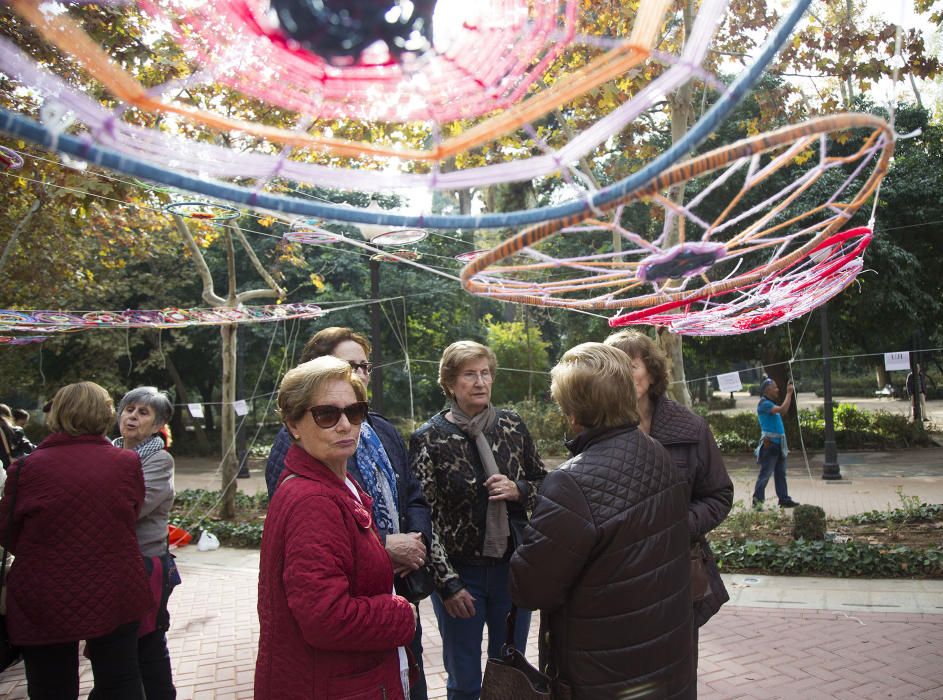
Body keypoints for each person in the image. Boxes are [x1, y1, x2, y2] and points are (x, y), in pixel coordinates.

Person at [509, 343, 693, 699]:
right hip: (665, 662)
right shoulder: (655, 450)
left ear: (573, 411)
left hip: (601, 674)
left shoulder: (570, 483)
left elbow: (529, 588)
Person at [265, 326, 432, 699]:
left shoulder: (374, 437)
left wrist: (417, 541)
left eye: (354, 411)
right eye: (326, 414)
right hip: (338, 674)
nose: (344, 424)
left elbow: (412, 494)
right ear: (294, 423)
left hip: (379, 648)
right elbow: (325, 617)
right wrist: (399, 612)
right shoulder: (311, 495)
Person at [408, 340, 547, 700]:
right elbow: (424, 517)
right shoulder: (429, 438)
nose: (480, 382)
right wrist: (448, 584)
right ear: (450, 383)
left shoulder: (511, 425)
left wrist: (518, 489)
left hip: (511, 570)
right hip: (461, 576)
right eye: (469, 374)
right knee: (465, 680)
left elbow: (545, 483)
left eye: (485, 373)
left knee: (510, 671)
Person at [0, 382, 153, 699]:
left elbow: (8, 531)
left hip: (44, 589)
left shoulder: (26, 468)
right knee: (120, 678)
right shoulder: (125, 463)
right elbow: (131, 514)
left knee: (51, 686)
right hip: (116, 583)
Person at [604, 330, 733, 660]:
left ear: (650, 370)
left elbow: (718, 494)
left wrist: (680, 526)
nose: (624, 375)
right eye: (614, 367)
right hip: (617, 576)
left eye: (631, 365)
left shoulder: (690, 428)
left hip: (675, 571)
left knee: (676, 666)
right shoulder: (595, 429)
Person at [114, 386, 179, 699]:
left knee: (148, 641)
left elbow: (135, 507)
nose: (132, 417)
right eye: (129, 409)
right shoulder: (109, 451)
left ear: (157, 424)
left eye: (143, 412)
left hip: (146, 561)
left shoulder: (159, 460)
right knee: (119, 644)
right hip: (113, 562)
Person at [752, 377, 799, 508]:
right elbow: (783, 410)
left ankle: (784, 499)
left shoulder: (770, 404)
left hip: (777, 445)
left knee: (780, 474)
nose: (778, 390)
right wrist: (789, 393)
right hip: (770, 445)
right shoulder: (764, 404)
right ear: (767, 389)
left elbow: (783, 410)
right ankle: (757, 502)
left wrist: (789, 395)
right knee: (765, 474)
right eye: (775, 387)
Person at [0, 403, 34, 469]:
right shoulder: (16, 431)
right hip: (8, 470)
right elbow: (29, 448)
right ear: (9, 416)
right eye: (23, 424)